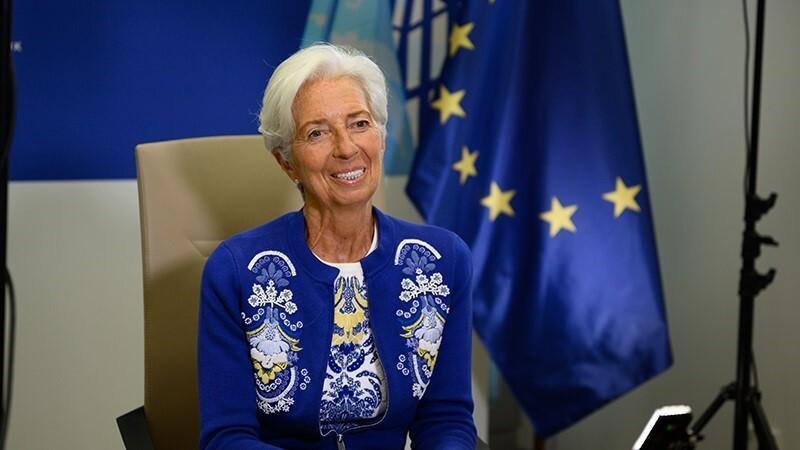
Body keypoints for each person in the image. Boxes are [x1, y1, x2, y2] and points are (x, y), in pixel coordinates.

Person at [198, 43, 477, 450]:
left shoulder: (441, 262)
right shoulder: (237, 270)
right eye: (317, 133)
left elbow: (446, 419)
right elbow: (227, 437)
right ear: (286, 162)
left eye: (360, 124)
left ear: (381, 138)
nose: (346, 148)